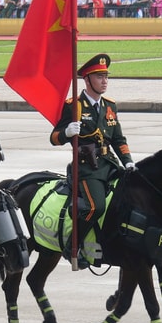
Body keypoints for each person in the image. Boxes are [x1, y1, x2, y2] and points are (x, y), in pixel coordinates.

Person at [50, 54, 134, 268]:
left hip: (110, 163)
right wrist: (67, 133)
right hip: (87, 167)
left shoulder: (109, 105)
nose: (105, 81)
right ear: (87, 80)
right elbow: (54, 138)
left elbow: (118, 139)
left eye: (106, 76)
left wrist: (128, 161)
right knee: (96, 207)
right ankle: (73, 244)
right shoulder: (74, 106)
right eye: (99, 77)